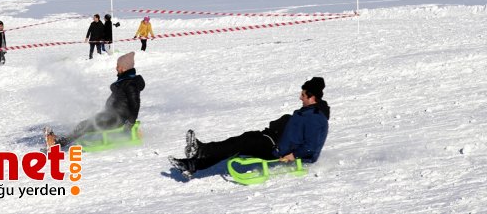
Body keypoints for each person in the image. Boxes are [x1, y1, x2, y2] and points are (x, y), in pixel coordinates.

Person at [169, 77, 329, 179]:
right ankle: (193, 165)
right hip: (271, 139)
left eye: (303, 95)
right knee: (237, 143)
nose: (300, 97)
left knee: (241, 143)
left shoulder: (315, 118)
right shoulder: (309, 112)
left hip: (276, 149)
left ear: (312, 97)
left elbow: (312, 147)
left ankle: (201, 150)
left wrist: (293, 155)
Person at [46, 52, 145, 147]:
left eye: (118, 66)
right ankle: (62, 139)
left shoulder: (130, 84)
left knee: (86, 126)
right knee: (84, 124)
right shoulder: (124, 82)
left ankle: (58, 143)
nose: (116, 68)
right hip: (111, 115)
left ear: (123, 68)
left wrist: (131, 122)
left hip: (118, 119)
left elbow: (135, 104)